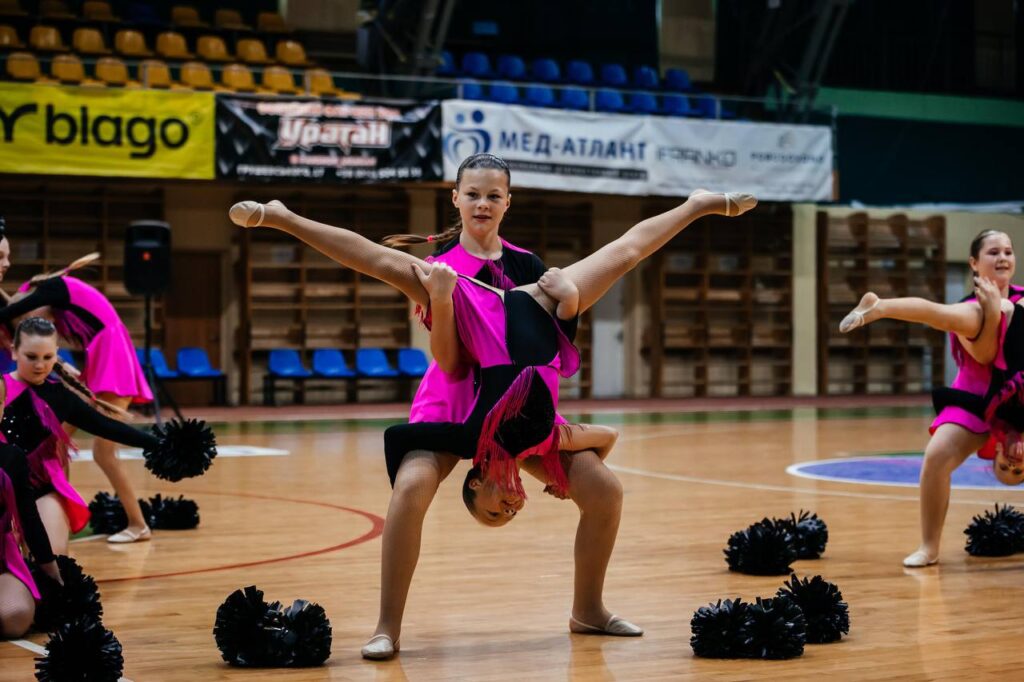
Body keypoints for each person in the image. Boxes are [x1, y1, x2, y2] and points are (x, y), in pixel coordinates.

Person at [230, 185, 757, 658]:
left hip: (514, 406)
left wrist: (568, 302)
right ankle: (387, 627)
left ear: (508, 203)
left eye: (494, 196)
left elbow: (618, 258)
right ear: (456, 199)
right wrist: (291, 222)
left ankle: (588, 610)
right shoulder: (442, 268)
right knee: (411, 487)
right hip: (452, 404)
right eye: (474, 195)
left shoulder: (530, 266)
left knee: (603, 490)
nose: (484, 204)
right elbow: (449, 356)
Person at [839, 230, 1024, 566]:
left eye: (1008, 252)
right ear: (973, 263)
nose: (1003, 258)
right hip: (976, 394)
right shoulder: (971, 309)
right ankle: (929, 546)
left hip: (1012, 391)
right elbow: (983, 356)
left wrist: (1002, 313)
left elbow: (997, 354)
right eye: (994, 252)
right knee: (937, 454)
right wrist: (995, 314)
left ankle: (880, 306)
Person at [0, 266, 154, 543]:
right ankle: (57, 515)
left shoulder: (55, 288)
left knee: (103, 453)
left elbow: (16, 312)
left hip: (114, 359)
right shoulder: (62, 299)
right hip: (103, 357)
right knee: (55, 442)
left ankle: (138, 523)